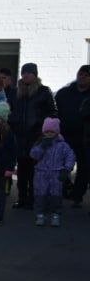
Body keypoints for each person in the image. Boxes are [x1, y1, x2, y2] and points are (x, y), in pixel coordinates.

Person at [8, 63, 56, 209]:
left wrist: (45, 131)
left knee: (35, 170)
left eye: (29, 73)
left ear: (35, 75)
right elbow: (9, 110)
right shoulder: (15, 92)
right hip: (20, 136)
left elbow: (52, 112)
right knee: (22, 171)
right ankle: (22, 198)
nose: (26, 75)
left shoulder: (43, 92)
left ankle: (33, 199)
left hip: (37, 136)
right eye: (24, 73)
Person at [54, 66, 90, 206]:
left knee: (84, 167)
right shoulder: (64, 93)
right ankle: (64, 189)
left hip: (85, 137)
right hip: (64, 135)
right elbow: (55, 111)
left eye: (86, 75)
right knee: (62, 165)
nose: (82, 77)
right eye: (80, 74)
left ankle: (77, 195)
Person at [29, 117, 75, 227]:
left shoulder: (62, 145)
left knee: (56, 196)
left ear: (56, 131)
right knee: (40, 196)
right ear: (43, 132)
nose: (49, 134)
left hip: (56, 174)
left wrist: (67, 168)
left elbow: (70, 156)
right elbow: (33, 155)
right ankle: (40, 215)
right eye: (47, 131)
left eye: (52, 131)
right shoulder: (40, 143)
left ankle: (56, 215)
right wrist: (42, 147)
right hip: (41, 174)